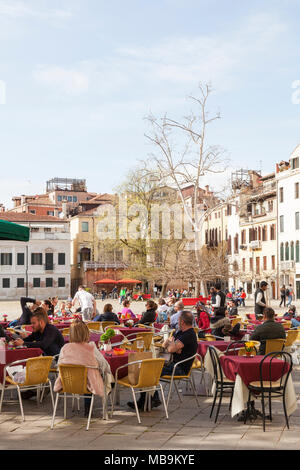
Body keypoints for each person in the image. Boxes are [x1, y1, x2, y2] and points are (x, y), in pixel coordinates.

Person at [127, 311, 198, 410]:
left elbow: (169, 349)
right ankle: (151, 399)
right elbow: (165, 345)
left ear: (182, 322)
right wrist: (172, 345)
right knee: (146, 368)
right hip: (172, 363)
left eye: (178, 321)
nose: (177, 322)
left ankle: (148, 400)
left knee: (148, 371)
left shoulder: (188, 335)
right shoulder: (181, 332)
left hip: (179, 367)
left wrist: (172, 344)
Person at [54, 319, 111, 417]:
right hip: (88, 384)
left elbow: (59, 366)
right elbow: (104, 365)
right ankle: (90, 408)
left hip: (68, 383)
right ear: (86, 333)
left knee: (85, 375)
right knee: (100, 377)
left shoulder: (65, 348)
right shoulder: (91, 348)